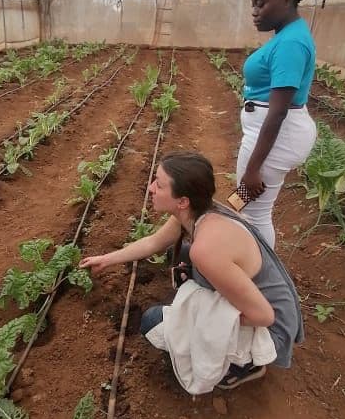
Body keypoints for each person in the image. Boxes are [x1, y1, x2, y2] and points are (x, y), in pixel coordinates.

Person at [81, 152, 303, 391]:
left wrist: (205, 320)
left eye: (159, 184)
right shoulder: (200, 211)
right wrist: (105, 259)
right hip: (264, 302)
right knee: (178, 254)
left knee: (152, 321)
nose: (150, 188)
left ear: (182, 201)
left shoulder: (207, 249)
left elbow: (264, 316)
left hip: (271, 329)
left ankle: (244, 366)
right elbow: (153, 242)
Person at [237, 0, 337, 248]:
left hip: (273, 138)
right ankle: (250, 263)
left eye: (261, 4)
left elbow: (278, 113)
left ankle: (260, 273)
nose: (254, 11)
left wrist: (253, 168)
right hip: (270, 136)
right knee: (247, 207)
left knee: (253, 211)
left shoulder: (291, 43)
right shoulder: (286, 36)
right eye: (253, 4)